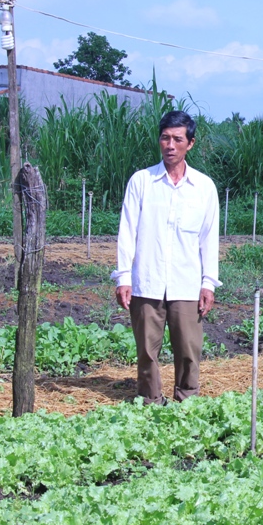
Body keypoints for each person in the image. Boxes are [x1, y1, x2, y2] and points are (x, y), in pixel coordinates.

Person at [111, 110, 222, 405]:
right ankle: (151, 401)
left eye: (177, 139)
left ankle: (187, 400)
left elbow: (209, 239)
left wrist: (208, 283)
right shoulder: (141, 182)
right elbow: (127, 231)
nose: (170, 145)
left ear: (190, 143)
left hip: (186, 283)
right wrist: (123, 277)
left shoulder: (204, 188)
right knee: (147, 351)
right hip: (147, 281)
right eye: (165, 138)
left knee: (188, 349)